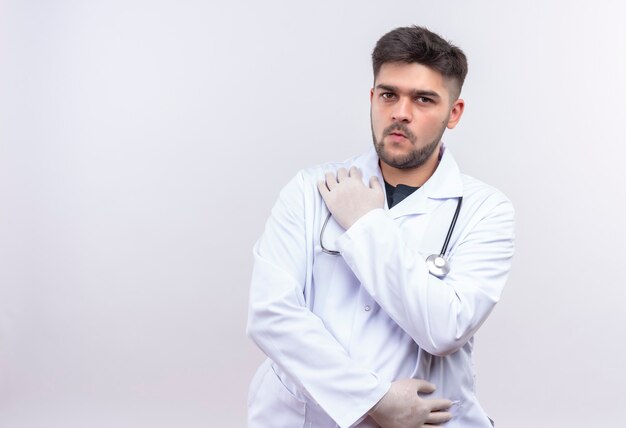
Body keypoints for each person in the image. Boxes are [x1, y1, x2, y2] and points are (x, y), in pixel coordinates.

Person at [246, 25, 514, 428]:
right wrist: (373, 399)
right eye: (389, 94)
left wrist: (366, 222)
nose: (400, 112)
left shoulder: (486, 210)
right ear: (372, 98)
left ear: (453, 113)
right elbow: (271, 315)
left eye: (423, 99)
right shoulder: (308, 190)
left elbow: (444, 328)